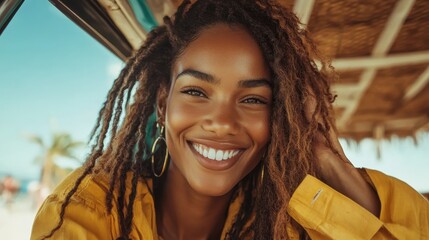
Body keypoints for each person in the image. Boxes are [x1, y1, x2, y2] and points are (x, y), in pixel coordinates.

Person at [31, 0, 429, 239]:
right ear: (160, 105)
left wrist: (329, 159)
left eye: (254, 98)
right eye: (196, 92)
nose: (221, 122)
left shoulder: (284, 226)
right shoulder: (91, 211)